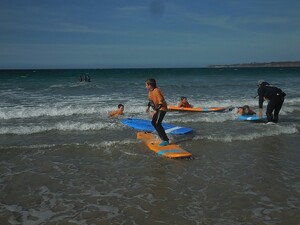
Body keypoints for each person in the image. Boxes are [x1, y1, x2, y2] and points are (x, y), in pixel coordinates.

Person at [145, 78, 169, 146]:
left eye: (146, 85)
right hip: (158, 109)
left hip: (162, 108)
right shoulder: (150, 92)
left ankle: (166, 140)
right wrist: (148, 107)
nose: (146, 87)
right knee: (153, 123)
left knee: (157, 123)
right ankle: (162, 138)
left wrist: (155, 112)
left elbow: (161, 103)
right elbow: (150, 101)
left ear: (150, 85)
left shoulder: (156, 91)